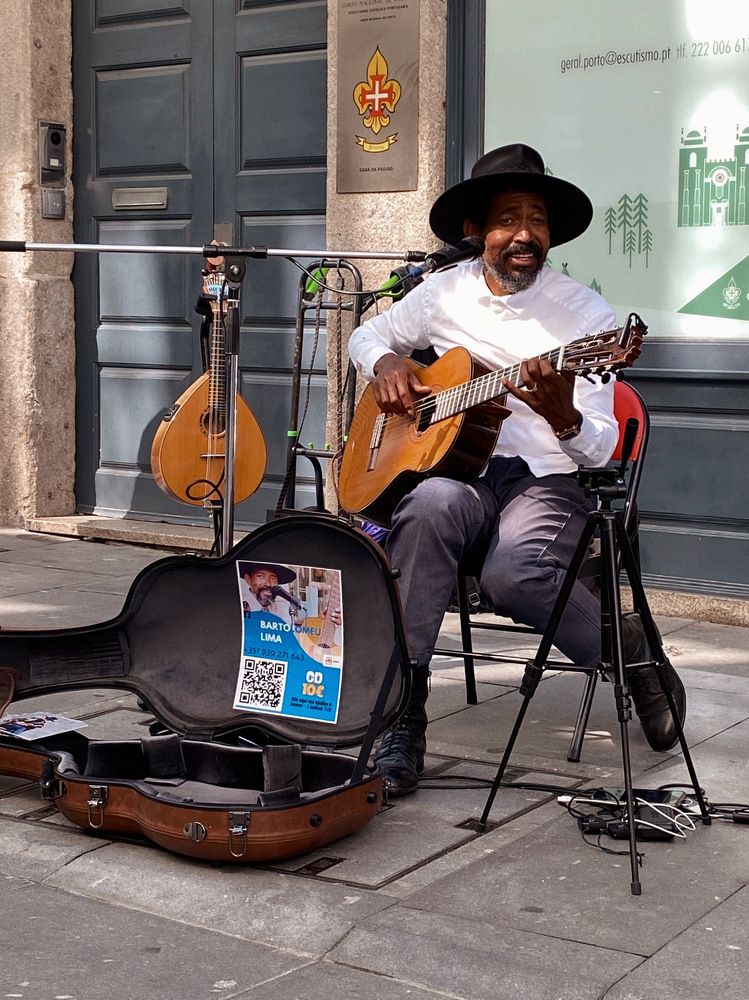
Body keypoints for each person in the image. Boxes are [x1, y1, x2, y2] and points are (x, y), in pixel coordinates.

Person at [347, 143, 686, 796]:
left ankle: (631, 651)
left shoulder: (586, 319)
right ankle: (402, 714)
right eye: (508, 219)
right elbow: (370, 335)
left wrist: (560, 414)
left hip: (547, 480)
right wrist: (386, 365)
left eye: (536, 219)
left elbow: (597, 453)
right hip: (465, 474)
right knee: (426, 507)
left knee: (515, 572)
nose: (523, 234)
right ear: (477, 231)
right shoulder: (442, 292)